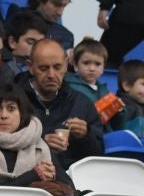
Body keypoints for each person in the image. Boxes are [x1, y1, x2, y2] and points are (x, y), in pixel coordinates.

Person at [0, 81, 71, 196]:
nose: (4, 115)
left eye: (11, 108)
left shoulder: (37, 144)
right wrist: (33, 175)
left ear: (22, 113)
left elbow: (68, 186)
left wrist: (51, 176)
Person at [22, 39, 104, 170]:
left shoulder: (82, 103)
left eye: (57, 67)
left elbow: (98, 154)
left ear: (66, 65)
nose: (51, 74)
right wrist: (40, 145)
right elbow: (1, 143)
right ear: (30, 67)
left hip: (71, 179)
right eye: (43, 68)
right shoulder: (13, 99)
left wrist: (85, 136)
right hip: (25, 176)